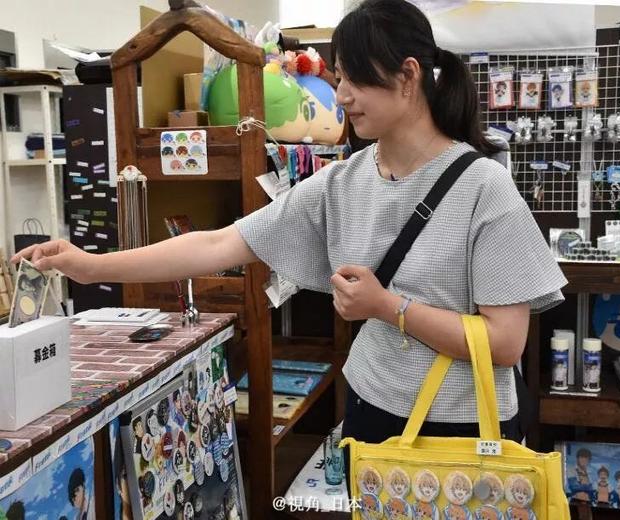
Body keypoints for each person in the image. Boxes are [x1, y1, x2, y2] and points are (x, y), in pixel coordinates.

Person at [12, 0, 566, 497]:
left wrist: (387, 308)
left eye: (354, 80)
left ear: (407, 76)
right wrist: (89, 264)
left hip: (464, 430)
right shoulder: (341, 182)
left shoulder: (484, 188)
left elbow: (506, 343)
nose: (341, 95)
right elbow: (221, 241)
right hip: (372, 413)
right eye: (339, 77)